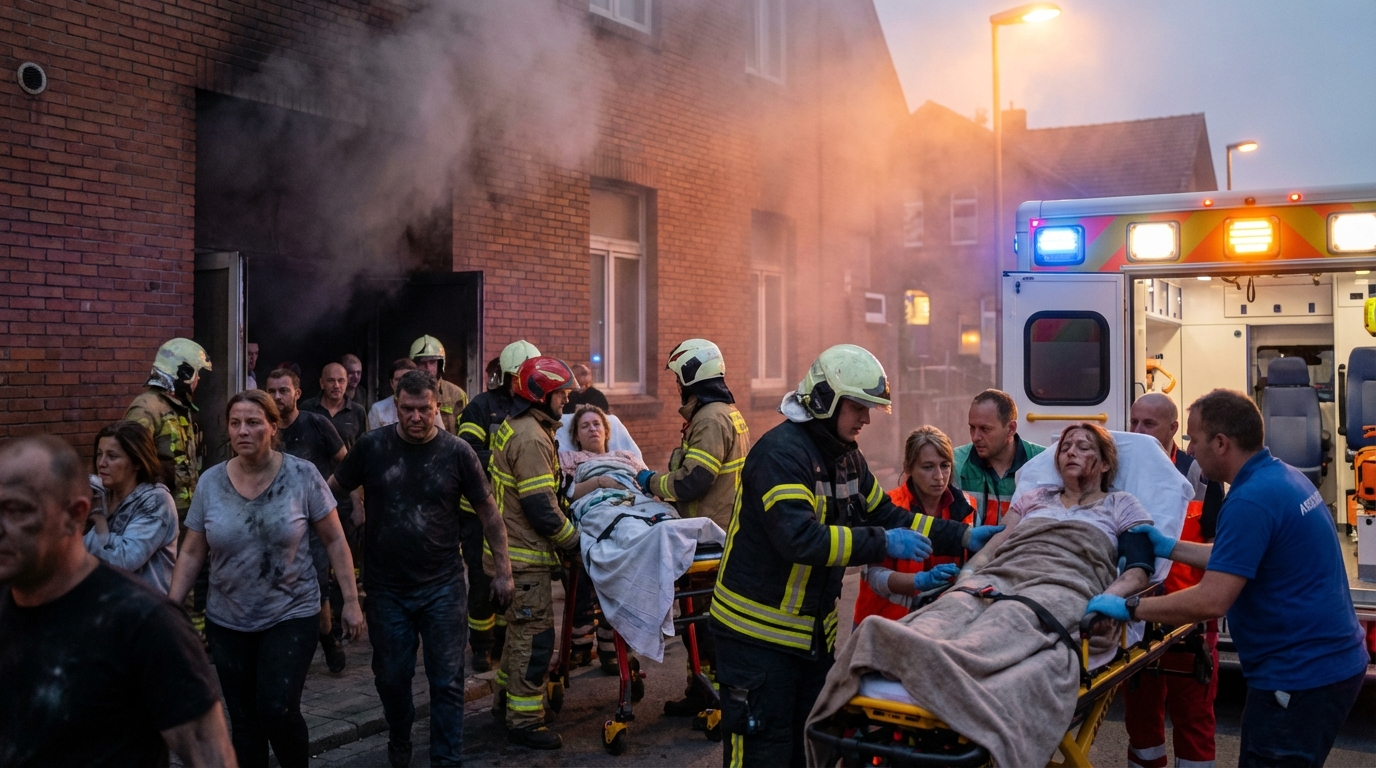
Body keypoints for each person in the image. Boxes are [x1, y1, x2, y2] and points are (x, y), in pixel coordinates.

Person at [711, 344, 1004, 767]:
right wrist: (881, 543)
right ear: (826, 400)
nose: (867, 418)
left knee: (810, 750)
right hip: (756, 639)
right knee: (762, 754)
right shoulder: (780, 455)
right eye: (859, 407)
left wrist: (963, 535)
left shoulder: (846, 457)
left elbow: (886, 513)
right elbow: (800, 540)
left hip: (808, 637)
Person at [810, 422, 1160, 768]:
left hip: (1062, 584)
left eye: (1084, 447)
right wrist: (966, 577)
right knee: (952, 609)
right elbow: (994, 548)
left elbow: (1139, 568)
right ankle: (906, 648)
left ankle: (945, 668)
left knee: (1011, 619)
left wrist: (1111, 599)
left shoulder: (1121, 505)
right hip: (1002, 575)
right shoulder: (1035, 499)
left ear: (1103, 464)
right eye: (1066, 446)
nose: (1071, 451)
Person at [1089, 389, 1368, 768]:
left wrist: (1130, 607)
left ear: (1220, 443)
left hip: (1299, 674)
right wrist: (1169, 547)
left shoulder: (1250, 500)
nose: (1191, 447)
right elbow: (1236, 557)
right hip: (1323, 664)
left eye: (1194, 438)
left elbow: (1212, 600)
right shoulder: (1280, 477)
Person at [0, 435, 236, 768]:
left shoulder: (147, 625)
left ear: (74, 515)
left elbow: (211, 758)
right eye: (100, 455)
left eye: (18, 510)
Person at [329, 369, 514, 768]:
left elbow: (489, 513)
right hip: (386, 590)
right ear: (396, 407)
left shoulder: (457, 452)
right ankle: (400, 735)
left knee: (447, 682)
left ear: (438, 408)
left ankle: (446, 760)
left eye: (424, 410)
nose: (416, 417)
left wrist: (503, 569)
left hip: (442, 586)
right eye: (408, 409)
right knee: (392, 679)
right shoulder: (372, 447)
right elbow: (330, 492)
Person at [170, 390, 363, 768]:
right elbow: (193, 551)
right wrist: (169, 606)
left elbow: (335, 539)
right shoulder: (211, 483)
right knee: (243, 721)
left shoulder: (302, 475)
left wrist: (352, 601)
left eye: (254, 422)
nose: (244, 430)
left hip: (290, 613)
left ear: (273, 427)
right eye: (236, 423)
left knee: (277, 708)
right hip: (228, 618)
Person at [635, 339, 751, 715]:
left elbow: (692, 482)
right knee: (699, 622)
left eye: (678, 378)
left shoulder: (710, 419)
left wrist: (652, 482)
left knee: (706, 624)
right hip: (716, 532)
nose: (675, 386)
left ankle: (715, 698)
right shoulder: (722, 413)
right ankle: (700, 690)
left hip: (709, 535)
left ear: (691, 375)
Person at [1124, 392, 1225, 768]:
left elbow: (1219, 542)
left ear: (1173, 429)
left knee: (1194, 715)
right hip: (1140, 612)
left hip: (1190, 612)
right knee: (1141, 715)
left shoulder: (1200, 472)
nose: (1138, 431)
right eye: (1133, 422)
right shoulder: (1121, 470)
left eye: (1148, 424)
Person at [488, 356, 584, 750]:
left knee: (517, 638)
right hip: (523, 557)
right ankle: (525, 720)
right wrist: (574, 543)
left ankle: (504, 703)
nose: (565, 401)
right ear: (541, 394)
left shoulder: (524, 427)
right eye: (561, 393)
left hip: (513, 555)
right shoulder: (530, 437)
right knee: (535, 638)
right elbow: (541, 506)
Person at [456, 339, 540, 671]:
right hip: (478, 512)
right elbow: (467, 451)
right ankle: (481, 646)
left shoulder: (536, 410)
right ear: (505, 376)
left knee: (513, 579)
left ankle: (505, 641)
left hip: (515, 512)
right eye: (519, 376)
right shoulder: (481, 406)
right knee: (481, 580)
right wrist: (510, 460)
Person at [265, 368, 352, 673]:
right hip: (274, 522)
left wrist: (342, 496)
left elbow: (346, 462)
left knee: (317, 584)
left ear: (297, 394)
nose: (277, 397)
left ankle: (327, 638)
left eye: (283, 390)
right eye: (272, 391)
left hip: (314, 521)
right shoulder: (266, 429)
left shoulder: (316, 423)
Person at [853, 426, 969, 626]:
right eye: (927, 467)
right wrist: (920, 581)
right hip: (882, 625)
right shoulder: (887, 506)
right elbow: (874, 576)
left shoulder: (967, 506)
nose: (939, 477)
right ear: (908, 468)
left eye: (945, 465)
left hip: (940, 624)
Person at [84, 420, 179, 593]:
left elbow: (123, 559)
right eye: (99, 454)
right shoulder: (100, 491)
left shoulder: (156, 500)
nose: (102, 463)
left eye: (112, 456)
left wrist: (97, 518)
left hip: (144, 609)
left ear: (137, 462)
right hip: (106, 606)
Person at [124, 337, 211, 515]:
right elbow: (128, 463)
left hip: (185, 512)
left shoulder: (180, 407)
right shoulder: (146, 408)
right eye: (196, 372)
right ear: (183, 373)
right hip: (158, 513)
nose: (198, 379)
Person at [301, 362, 368, 570]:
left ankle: (344, 597)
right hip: (312, 493)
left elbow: (363, 456)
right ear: (322, 383)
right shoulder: (307, 410)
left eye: (341, 380)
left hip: (346, 494)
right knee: (314, 554)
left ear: (347, 383)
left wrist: (359, 502)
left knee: (345, 552)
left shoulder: (357, 412)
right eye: (330, 380)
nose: (336, 385)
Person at [954, 389, 1046, 526]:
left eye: (985, 429)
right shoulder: (955, 463)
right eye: (972, 427)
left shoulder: (1042, 462)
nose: (975, 437)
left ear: (1011, 429)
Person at [410, 334, 469, 434]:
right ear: (414, 365)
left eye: (432, 362)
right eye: (422, 363)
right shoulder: (406, 393)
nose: (428, 368)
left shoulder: (457, 395)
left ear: (440, 364)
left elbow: (465, 433)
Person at [369, 358, 444, 432]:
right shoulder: (378, 409)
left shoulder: (429, 405)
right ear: (392, 383)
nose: (403, 384)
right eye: (398, 379)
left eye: (408, 379)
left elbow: (440, 436)